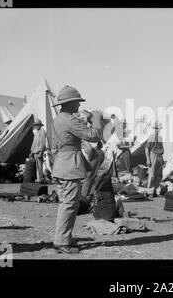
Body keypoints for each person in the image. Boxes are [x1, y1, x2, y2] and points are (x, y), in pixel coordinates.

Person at [51, 85, 102, 254]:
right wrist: (96, 119)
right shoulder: (71, 120)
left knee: (66, 204)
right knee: (69, 205)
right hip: (70, 167)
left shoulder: (58, 119)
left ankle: (63, 238)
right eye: (77, 102)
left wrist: (85, 122)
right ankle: (62, 242)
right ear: (71, 103)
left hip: (61, 165)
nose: (79, 106)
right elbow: (93, 136)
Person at [145, 121, 164, 197]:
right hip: (153, 155)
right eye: (156, 128)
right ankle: (149, 191)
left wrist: (162, 160)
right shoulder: (151, 137)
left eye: (158, 128)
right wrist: (148, 159)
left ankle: (155, 191)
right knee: (152, 174)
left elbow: (161, 149)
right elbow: (147, 148)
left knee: (158, 175)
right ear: (154, 129)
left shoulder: (160, 137)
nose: (157, 130)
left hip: (159, 156)